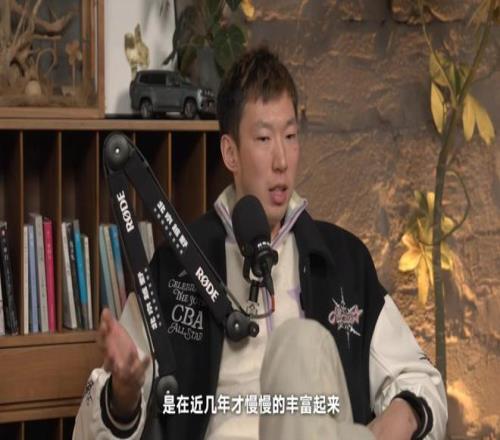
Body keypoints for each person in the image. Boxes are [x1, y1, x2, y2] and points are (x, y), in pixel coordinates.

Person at [73, 47, 447, 440]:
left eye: (291, 136)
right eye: (265, 138)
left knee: (301, 344)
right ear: (230, 153)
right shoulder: (176, 267)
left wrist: (403, 415)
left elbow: (421, 382)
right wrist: (123, 395)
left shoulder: (344, 260)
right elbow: (87, 431)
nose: (281, 160)